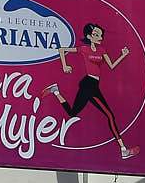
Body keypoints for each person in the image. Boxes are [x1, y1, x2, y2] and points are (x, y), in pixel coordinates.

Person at [41, 23, 137, 159]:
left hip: (93, 85)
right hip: (88, 84)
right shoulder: (84, 49)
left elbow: (112, 66)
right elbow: (62, 50)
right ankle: (123, 149)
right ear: (88, 36)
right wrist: (65, 66)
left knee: (72, 113)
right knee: (110, 115)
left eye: (100, 35)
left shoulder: (102, 50)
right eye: (96, 35)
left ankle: (56, 91)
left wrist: (123, 55)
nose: (100, 37)